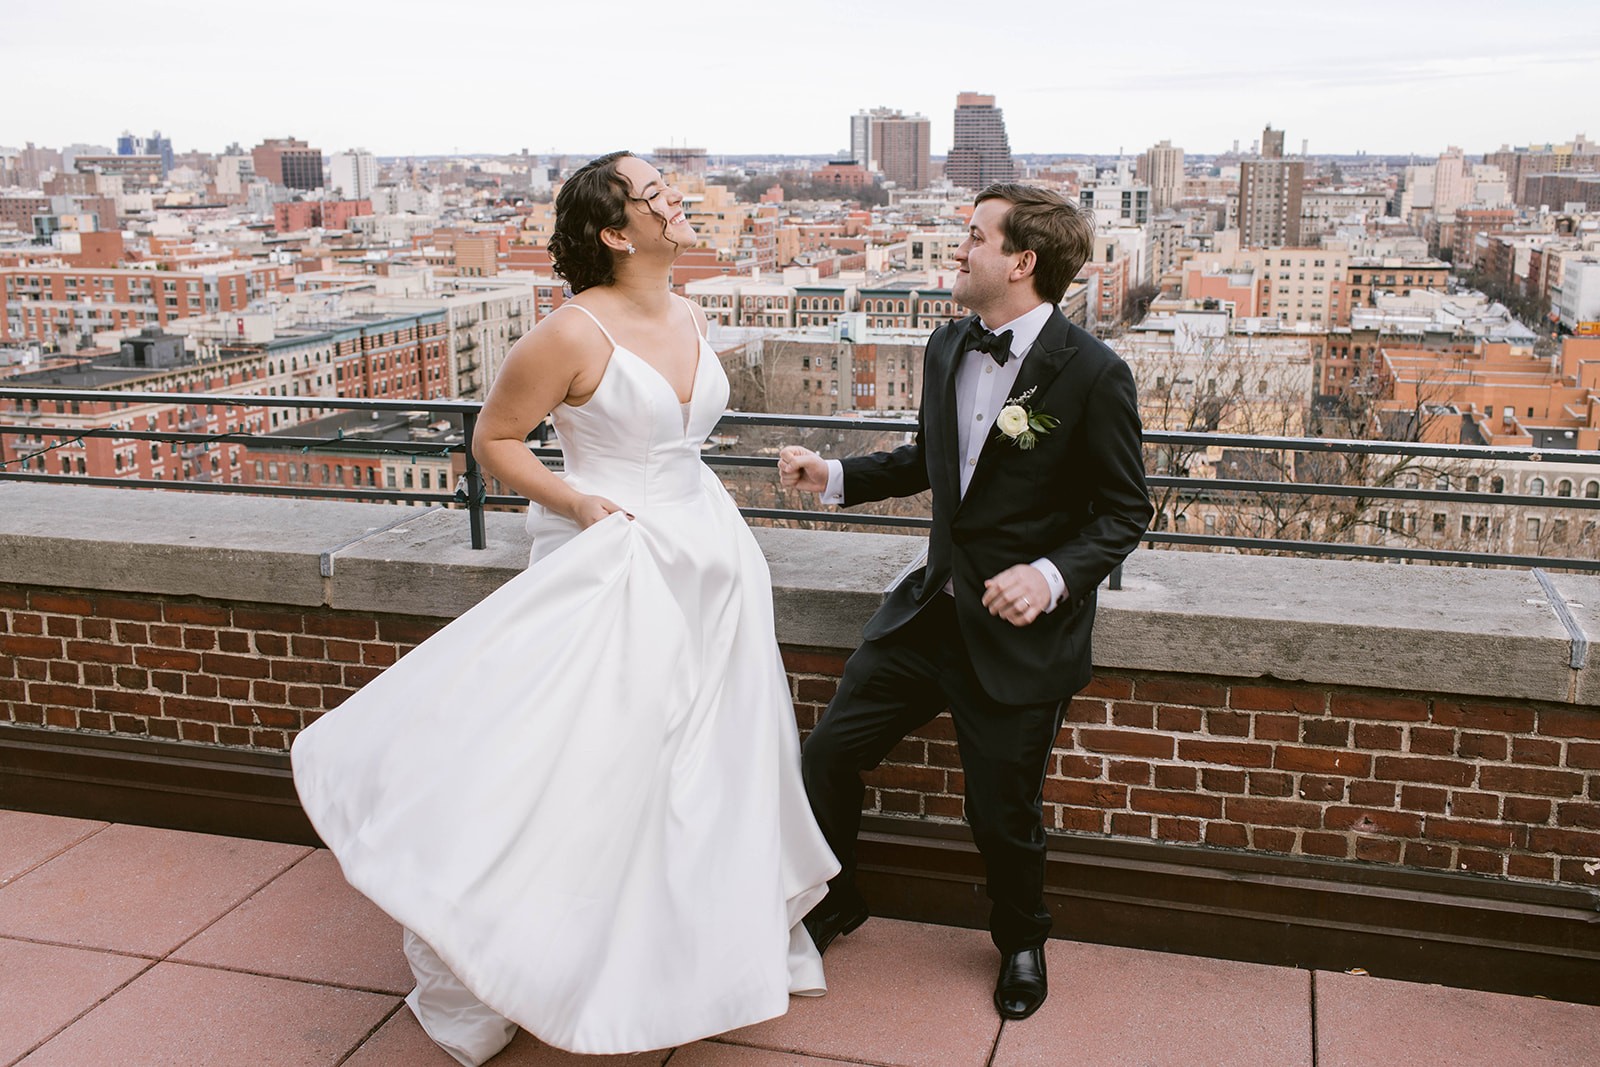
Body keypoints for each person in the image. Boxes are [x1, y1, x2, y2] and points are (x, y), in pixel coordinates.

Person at [292, 151, 838, 1064]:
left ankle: (690, 944)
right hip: (615, 555)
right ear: (616, 232)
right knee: (593, 758)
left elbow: (684, 444)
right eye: (654, 194)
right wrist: (578, 501)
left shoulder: (694, 310)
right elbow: (493, 439)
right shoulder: (571, 333)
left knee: (709, 759)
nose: (676, 200)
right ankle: (547, 953)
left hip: (710, 557)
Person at [778, 183, 1152, 1022]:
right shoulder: (948, 345)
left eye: (974, 237)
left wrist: (1051, 574)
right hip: (928, 612)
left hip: (1020, 636)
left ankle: (1021, 938)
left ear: (1021, 262)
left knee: (1002, 811)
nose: (958, 248)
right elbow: (931, 459)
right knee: (830, 752)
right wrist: (833, 475)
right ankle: (839, 897)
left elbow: (1127, 510)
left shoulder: (1095, 373)